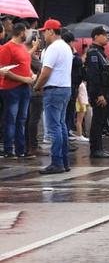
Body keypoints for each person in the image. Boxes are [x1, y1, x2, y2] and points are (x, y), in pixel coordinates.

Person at [32, 20, 74, 174]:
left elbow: (46, 72)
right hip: (64, 89)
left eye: (44, 31)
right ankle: (64, 161)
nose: (43, 35)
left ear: (50, 31)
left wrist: (37, 86)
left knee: (54, 127)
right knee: (61, 125)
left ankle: (56, 162)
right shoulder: (66, 47)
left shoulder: (53, 48)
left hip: (54, 90)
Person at [0, 22, 35, 159]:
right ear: (21, 33)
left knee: (22, 119)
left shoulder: (22, 47)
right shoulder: (8, 48)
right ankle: (8, 150)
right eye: (26, 32)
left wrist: (31, 75)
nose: (27, 34)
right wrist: (23, 79)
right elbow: (3, 69)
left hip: (25, 87)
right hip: (12, 88)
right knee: (11, 118)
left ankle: (20, 149)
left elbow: (25, 64)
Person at [83, 26, 109, 159]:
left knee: (102, 121)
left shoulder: (101, 52)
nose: (107, 37)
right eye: (104, 35)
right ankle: (95, 149)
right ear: (96, 37)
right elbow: (94, 76)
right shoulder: (93, 53)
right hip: (99, 92)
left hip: (106, 91)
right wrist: (99, 94)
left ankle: (99, 147)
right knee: (97, 121)